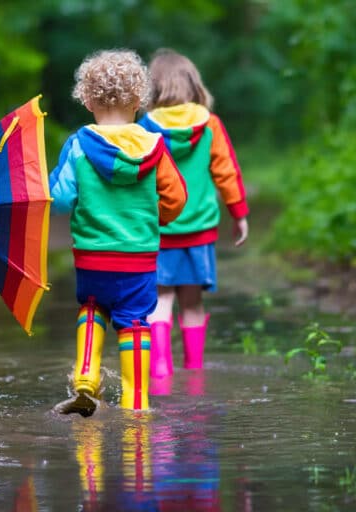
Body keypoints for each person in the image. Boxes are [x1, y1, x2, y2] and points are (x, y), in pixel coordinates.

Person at [49, 49, 187, 415]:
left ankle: (85, 377)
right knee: (135, 322)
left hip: (92, 256)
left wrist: (49, 184)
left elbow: (60, 198)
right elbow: (176, 198)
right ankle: (136, 402)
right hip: (138, 258)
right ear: (139, 102)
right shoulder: (155, 147)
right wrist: (154, 218)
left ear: (88, 100)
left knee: (93, 307)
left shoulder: (78, 145)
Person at [138, 49, 249, 383]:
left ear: (153, 88)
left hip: (159, 229)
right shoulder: (210, 125)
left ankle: (160, 370)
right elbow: (226, 172)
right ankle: (195, 373)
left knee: (160, 299)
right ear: (193, 84)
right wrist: (238, 213)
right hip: (199, 230)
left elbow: (136, 178)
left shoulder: (145, 128)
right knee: (192, 302)